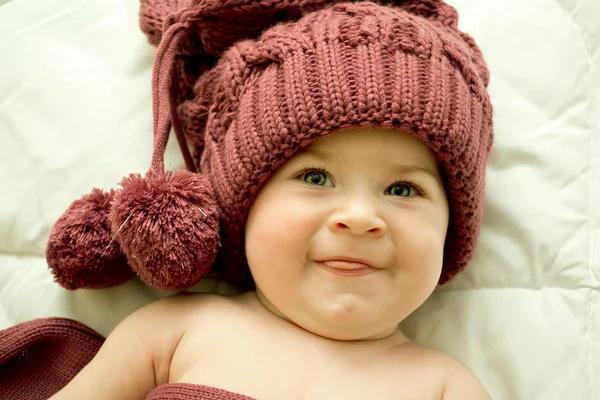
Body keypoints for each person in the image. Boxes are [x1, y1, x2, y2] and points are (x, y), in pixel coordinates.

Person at [46, 0, 494, 398]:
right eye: (316, 177)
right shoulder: (175, 331)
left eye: (403, 189)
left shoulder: (444, 386)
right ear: (243, 208)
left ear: (452, 231)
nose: (360, 217)